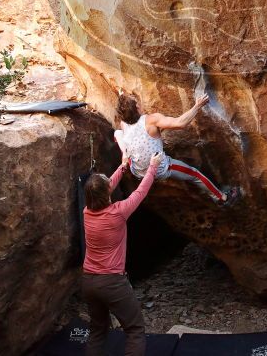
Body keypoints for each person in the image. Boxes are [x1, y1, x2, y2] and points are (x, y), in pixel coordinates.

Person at [82, 152, 161, 356]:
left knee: (97, 330)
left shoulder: (86, 213)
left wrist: (123, 166)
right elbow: (140, 192)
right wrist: (153, 166)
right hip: (112, 283)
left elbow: (104, 188)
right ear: (107, 193)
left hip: (89, 281)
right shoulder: (118, 212)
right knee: (135, 330)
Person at [114, 92, 242, 207]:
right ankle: (222, 198)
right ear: (137, 107)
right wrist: (197, 106)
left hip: (136, 170)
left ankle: (126, 154)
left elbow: (126, 111)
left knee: (118, 134)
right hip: (159, 169)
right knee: (194, 174)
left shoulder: (123, 124)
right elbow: (180, 123)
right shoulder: (151, 120)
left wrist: (121, 95)